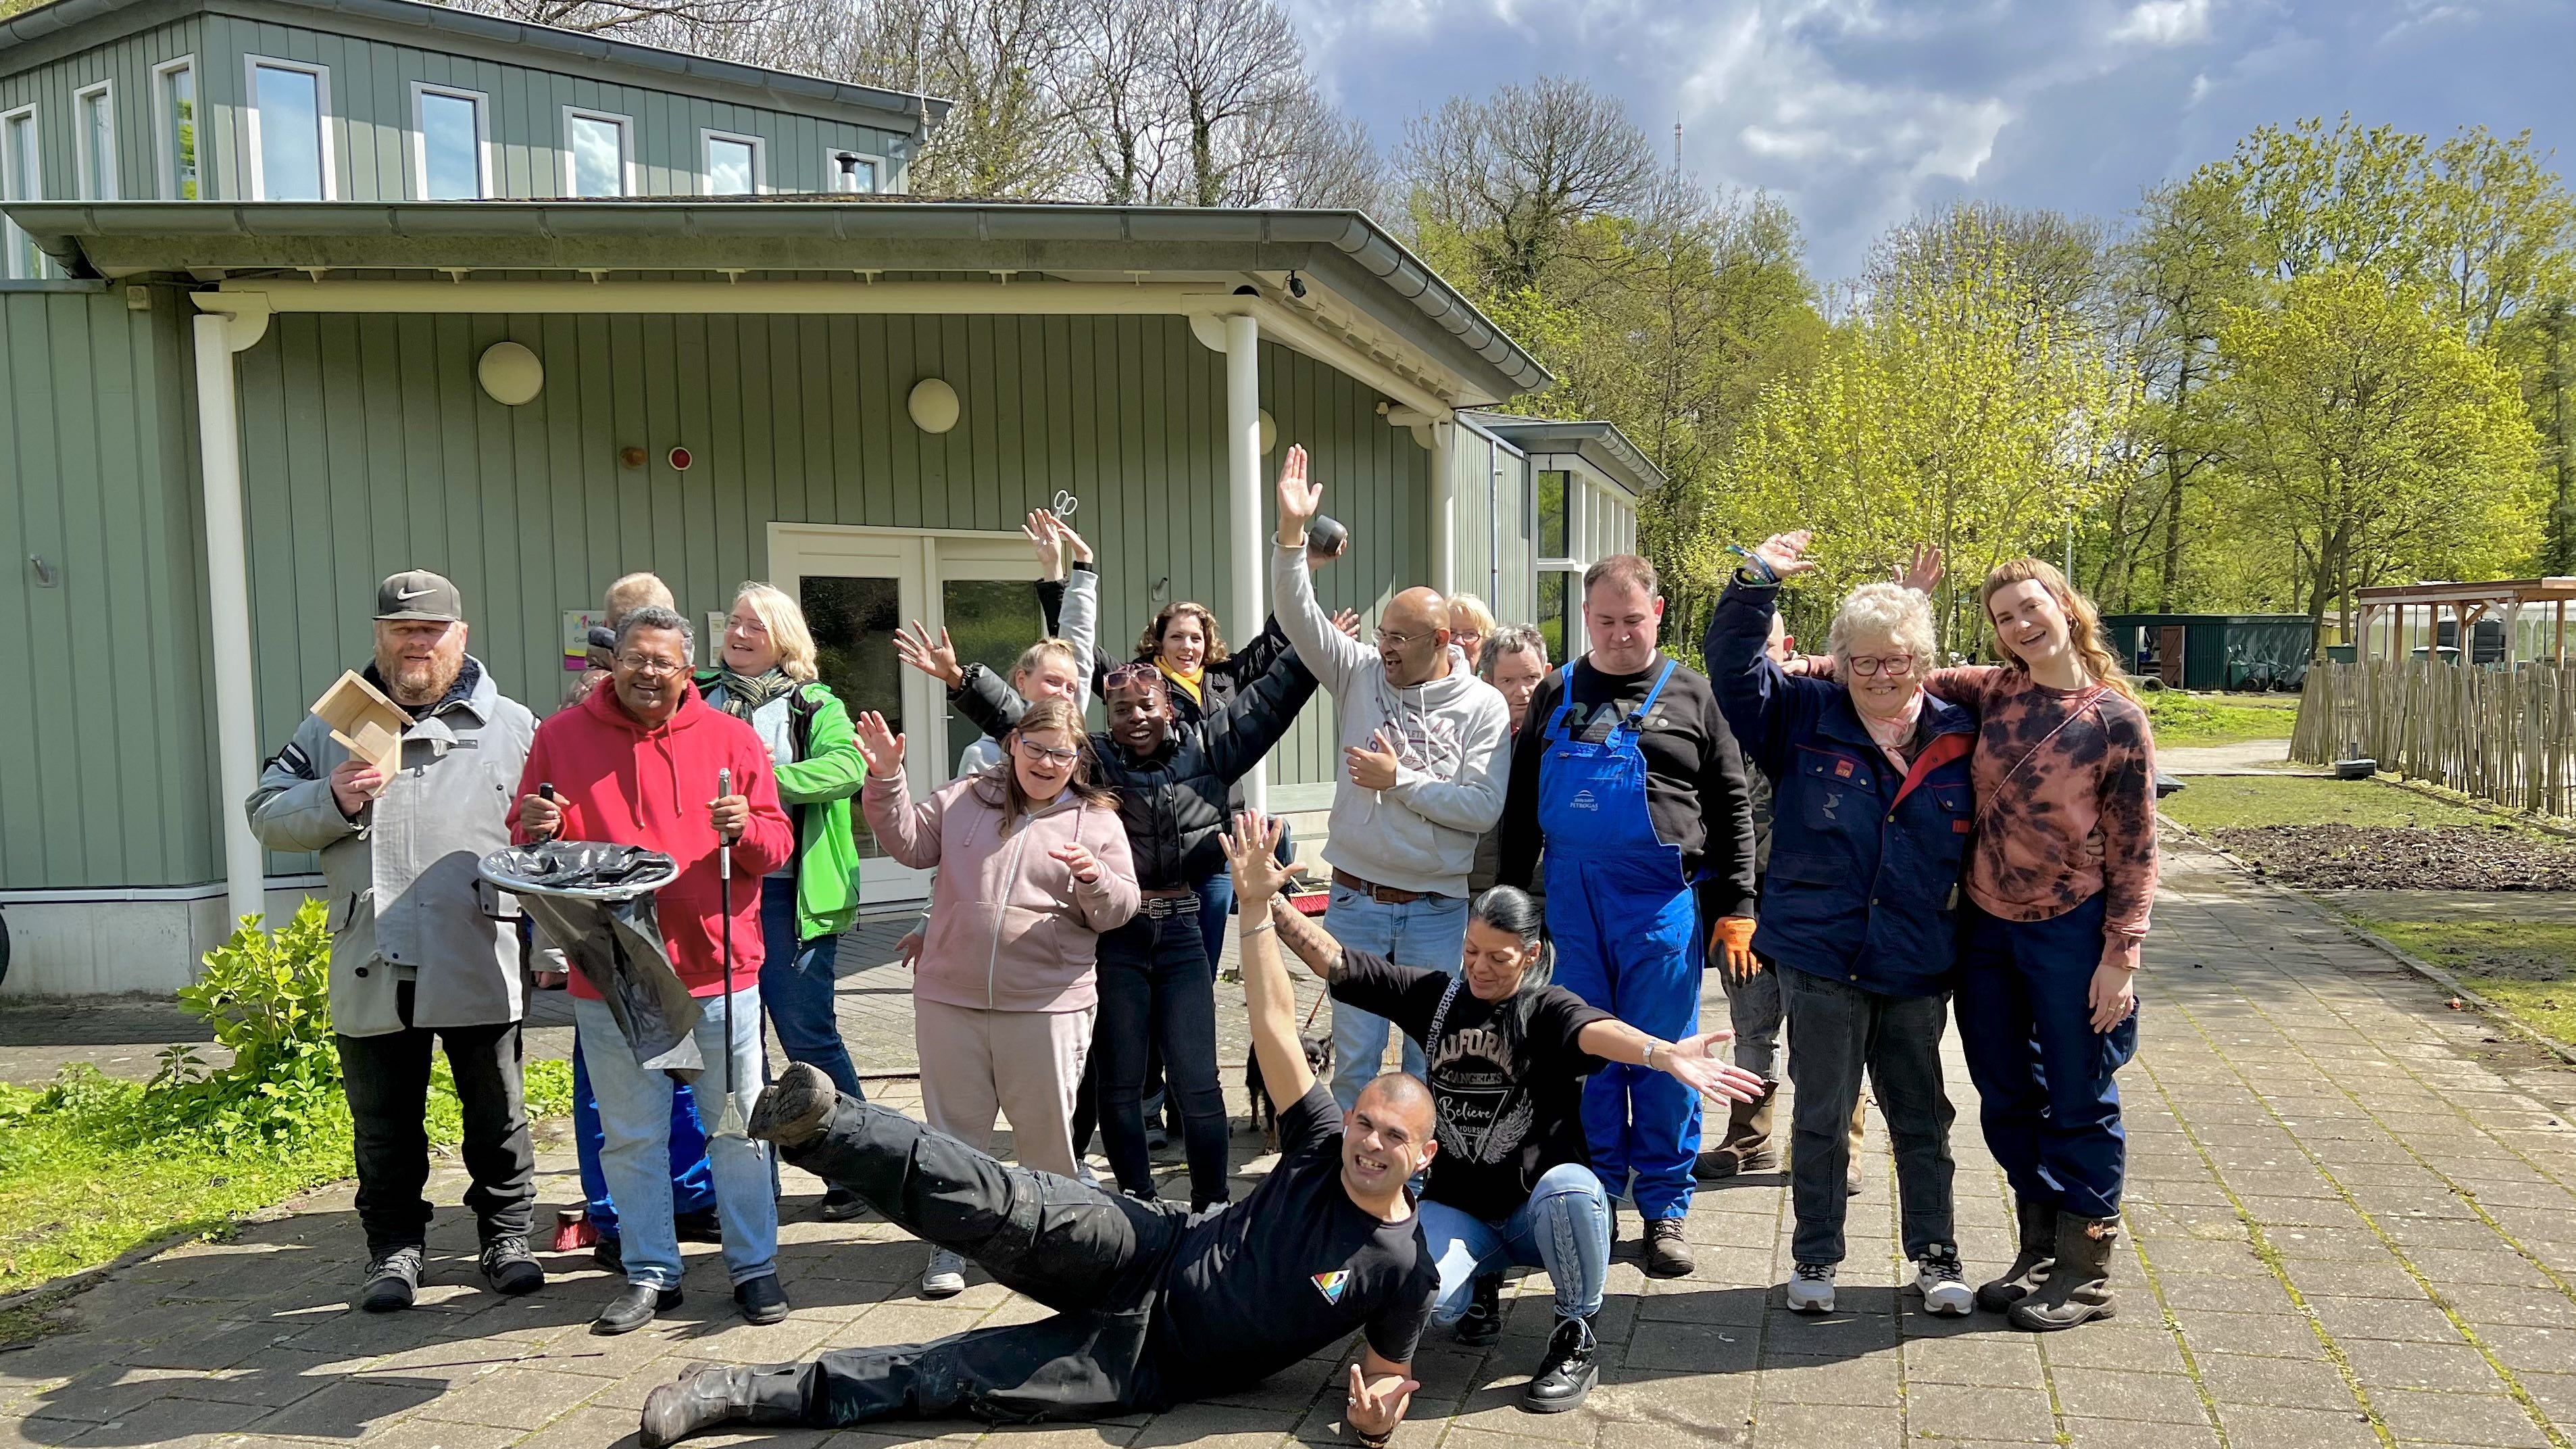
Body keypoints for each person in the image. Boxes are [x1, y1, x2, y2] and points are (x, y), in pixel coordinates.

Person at [633, 810, 1434, 1449]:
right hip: (1147, 1244)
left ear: (1421, 1155)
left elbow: (1384, 1378)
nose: (1367, 1142)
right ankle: (820, 1125)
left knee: (947, 1375)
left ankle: (731, 1389)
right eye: (1365, 1121)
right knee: (989, 1197)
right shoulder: (1320, 1141)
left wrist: (1369, 1425)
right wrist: (1254, 907)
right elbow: (1274, 1025)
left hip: (1149, 1361)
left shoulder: (1403, 1268)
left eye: (1391, 1137)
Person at [1264, 882, 1766, 1412]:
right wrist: (1268, 902)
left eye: (1497, 958)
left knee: (1571, 1187)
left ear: (1529, 955)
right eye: (1470, 952)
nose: (1479, 968)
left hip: (1539, 1215)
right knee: (1423, 1305)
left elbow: (1597, 1030)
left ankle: (1576, 1334)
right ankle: (1481, 1286)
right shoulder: (1438, 1000)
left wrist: (1661, 1054)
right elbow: (1341, 964)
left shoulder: (1547, 1009)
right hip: (1460, 1208)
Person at [909, 619, 1318, 1212]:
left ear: (1171, 708)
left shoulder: (1211, 747)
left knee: (1197, 1077)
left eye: (1146, 705)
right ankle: (1139, 1203)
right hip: (1118, 935)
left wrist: (1311, 648)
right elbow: (1023, 726)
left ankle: (1212, 1205)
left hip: (1181, 930)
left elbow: (1270, 703)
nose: (1135, 717)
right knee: (1119, 1084)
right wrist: (961, 679)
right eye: (1121, 708)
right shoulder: (1092, 761)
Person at [1858, 545, 2158, 1332]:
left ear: (2064, 605)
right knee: (2002, 1089)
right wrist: (1903, 597)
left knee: (2078, 1094)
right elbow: (1888, 666)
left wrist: (2118, 957)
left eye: (2030, 607)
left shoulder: (2113, 718)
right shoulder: (1992, 692)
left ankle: (2087, 1268)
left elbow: (2136, 847)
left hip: (2072, 929)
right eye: (2003, 617)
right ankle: (2038, 1249)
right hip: (1986, 928)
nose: (2020, 624)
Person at [247, 570, 543, 1312]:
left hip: (475, 941)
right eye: (401, 629)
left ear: (460, 635)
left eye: (431, 629)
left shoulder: (513, 724)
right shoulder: (331, 726)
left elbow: (548, 830)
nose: (417, 642)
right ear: (378, 636)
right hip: (371, 949)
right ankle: (395, 1248)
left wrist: (554, 835)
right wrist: (334, 797)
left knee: (497, 1112)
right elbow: (265, 812)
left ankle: (505, 1235)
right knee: (383, 1121)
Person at [1706, 537, 1977, 1317]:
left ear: (1920, 658)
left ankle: (1935, 1255)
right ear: (1839, 662)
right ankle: (1815, 1257)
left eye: (1895, 658)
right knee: (1821, 1114)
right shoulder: (1800, 715)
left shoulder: (1961, 732)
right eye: (1863, 660)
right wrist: (1753, 582)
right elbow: (1732, 669)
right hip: (1821, 957)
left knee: (1922, 1117)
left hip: (1916, 959)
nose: (1881, 673)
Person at [515, 606, 795, 1335]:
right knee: (632, 1135)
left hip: (716, 969)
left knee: (735, 1129)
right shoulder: (560, 737)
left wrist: (748, 826)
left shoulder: (732, 738)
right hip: (613, 975)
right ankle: (650, 1270)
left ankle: (754, 1265)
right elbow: (528, 838)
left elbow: (776, 844)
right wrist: (536, 828)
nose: (647, 672)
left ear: (685, 667)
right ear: (612, 661)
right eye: (634, 657)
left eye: (662, 661)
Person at [1496, 554, 1758, 1279]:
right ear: (1585, 618)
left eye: (1631, 620)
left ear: (1659, 612)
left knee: (1668, 1053)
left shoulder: (1692, 694)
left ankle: (1666, 1207)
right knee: (1588, 1053)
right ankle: (1600, 1193)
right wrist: (1508, 907)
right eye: (1604, 621)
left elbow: (1732, 804)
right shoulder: (1556, 691)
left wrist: (1737, 905)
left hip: (1657, 903)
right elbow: (1519, 805)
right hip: (1572, 900)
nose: (1617, 634)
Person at [852, 695, 1139, 1297]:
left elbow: (1119, 912)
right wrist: (885, 779)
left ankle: (1056, 1245)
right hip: (948, 997)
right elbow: (909, 843)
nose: (1046, 762)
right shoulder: (965, 799)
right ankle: (951, 1246)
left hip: (1046, 1004)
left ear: (1077, 758)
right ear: (1013, 745)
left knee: (1045, 1137)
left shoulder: (1099, 821)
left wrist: (1095, 877)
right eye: (1035, 748)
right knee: (953, 1136)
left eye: (1062, 754)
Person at [1272, 444, 1512, 1110]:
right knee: (1351, 1059)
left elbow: (1479, 807)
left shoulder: (1481, 706)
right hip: (1354, 902)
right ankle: (1347, 1192)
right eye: (1381, 632)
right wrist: (1292, 536)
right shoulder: (1357, 674)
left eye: (1400, 638)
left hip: (1435, 911)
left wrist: (1396, 778)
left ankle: (1420, 1184)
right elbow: (1297, 615)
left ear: (1441, 641)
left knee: (1426, 1055)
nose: (1384, 647)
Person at [698, 582, 871, 1223]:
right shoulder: (698, 693)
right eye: (735, 622)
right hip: (714, 894)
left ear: (784, 640)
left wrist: (756, 786)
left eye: (756, 627)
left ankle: (857, 1167)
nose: (740, 635)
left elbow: (847, 769)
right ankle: (754, 1185)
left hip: (789, 895)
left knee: (809, 1038)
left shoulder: (811, 703)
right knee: (740, 1047)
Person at [562, 573, 721, 1269]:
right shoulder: (574, 718)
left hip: (694, 943)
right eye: (627, 636)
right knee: (612, 1098)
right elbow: (545, 829)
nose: (646, 662)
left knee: (690, 1081)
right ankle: (615, 1215)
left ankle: (690, 1196)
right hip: (607, 946)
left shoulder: (708, 719)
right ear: (609, 640)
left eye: (661, 644)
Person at [958, 510, 1100, 777]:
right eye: (1053, 682)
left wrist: (1079, 567)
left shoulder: (1072, 730)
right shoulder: (984, 756)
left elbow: (1078, 641)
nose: (1063, 692)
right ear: (1021, 680)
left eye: (1071, 687)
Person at [1468, 626, 1549, 900]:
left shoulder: (1562, 742)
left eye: (1531, 678)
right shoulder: (1471, 738)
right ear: (1488, 681)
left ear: (1548, 674)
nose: (1523, 691)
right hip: (1474, 887)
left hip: (1540, 890)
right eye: (1508, 681)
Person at [1445, 593, 1496, 672]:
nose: (1459, 641)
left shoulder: (1494, 682)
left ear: (1485, 641)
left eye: (1470, 634)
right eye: (1452, 632)